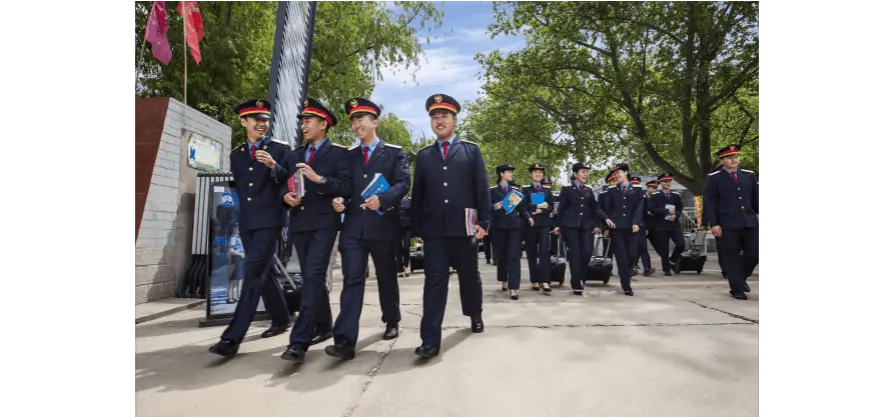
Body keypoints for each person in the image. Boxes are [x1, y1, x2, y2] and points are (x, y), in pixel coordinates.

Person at [325, 97, 410, 360]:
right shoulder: (348, 156)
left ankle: (392, 319)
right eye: (353, 120)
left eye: (361, 118)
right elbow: (344, 186)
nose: (356, 123)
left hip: (384, 226)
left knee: (386, 276)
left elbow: (403, 183)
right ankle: (345, 341)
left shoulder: (394, 153)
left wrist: (382, 200)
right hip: (353, 227)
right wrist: (339, 199)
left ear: (374, 121)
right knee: (352, 280)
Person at [208, 99, 293, 358]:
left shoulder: (279, 149)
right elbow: (243, 191)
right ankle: (281, 318)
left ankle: (232, 338)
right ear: (243, 122)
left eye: (265, 119)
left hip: (270, 220)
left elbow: (290, 180)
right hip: (248, 222)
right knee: (264, 272)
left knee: (253, 273)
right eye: (255, 118)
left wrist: (273, 166)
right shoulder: (236, 154)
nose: (261, 123)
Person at [409, 93, 490, 359]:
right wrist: (416, 228)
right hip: (434, 230)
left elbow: (481, 189)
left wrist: (484, 222)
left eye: (444, 116)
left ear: (454, 120)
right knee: (434, 282)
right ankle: (429, 340)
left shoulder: (470, 150)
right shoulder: (424, 156)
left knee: (469, 277)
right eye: (434, 117)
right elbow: (417, 194)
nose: (439, 121)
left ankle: (474, 313)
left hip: (464, 226)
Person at [279, 98, 352, 363]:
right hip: (300, 221)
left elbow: (345, 186)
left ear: (324, 124)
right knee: (313, 276)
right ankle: (324, 326)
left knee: (311, 275)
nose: (304, 125)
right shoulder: (295, 154)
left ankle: (298, 342)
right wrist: (286, 196)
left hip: (324, 222)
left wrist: (319, 179)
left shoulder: (340, 154)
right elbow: (284, 184)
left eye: (309, 120)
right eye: (302, 121)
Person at [703, 144, 760, 300]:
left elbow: (756, 200)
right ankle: (736, 289)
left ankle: (740, 278)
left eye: (736, 156)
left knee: (755, 252)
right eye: (730, 157)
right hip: (727, 224)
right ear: (722, 161)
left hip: (749, 221)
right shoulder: (714, 178)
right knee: (732, 257)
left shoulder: (749, 176)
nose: (734, 160)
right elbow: (710, 202)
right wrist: (713, 223)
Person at [555, 162, 608, 295]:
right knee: (575, 253)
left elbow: (595, 208)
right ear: (575, 174)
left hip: (586, 225)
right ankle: (576, 282)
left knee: (587, 252)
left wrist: (601, 222)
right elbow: (561, 208)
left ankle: (580, 277)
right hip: (570, 225)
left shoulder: (589, 189)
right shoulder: (566, 189)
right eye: (583, 171)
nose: (586, 174)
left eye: (587, 172)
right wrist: (557, 225)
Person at [600, 162, 644, 296]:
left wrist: (637, 222)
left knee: (632, 255)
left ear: (626, 173)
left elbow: (640, 207)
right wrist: (606, 226)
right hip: (617, 228)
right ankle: (626, 286)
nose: (616, 175)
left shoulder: (637, 189)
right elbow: (607, 209)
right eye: (615, 173)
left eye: (618, 172)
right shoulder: (612, 191)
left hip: (632, 228)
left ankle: (628, 271)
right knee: (621, 258)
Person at [489, 164, 530, 300]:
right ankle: (503, 279)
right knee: (502, 256)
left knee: (513, 256)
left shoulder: (515, 191)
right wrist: (495, 206)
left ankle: (514, 288)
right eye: (508, 172)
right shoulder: (492, 191)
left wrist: (528, 217)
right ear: (501, 174)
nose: (511, 174)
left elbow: (522, 207)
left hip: (514, 226)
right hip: (498, 227)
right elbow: (484, 206)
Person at [522, 163, 554, 292]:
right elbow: (523, 206)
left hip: (544, 224)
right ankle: (534, 280)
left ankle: (545, 281)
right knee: (531, 252)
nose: (538, 174)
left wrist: (542, 210)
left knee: (544, 251)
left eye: (540, 172)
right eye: (535, 172)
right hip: (531, 224)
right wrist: (537, 207)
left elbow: (551, 207)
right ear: (531, 174)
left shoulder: (547, 190)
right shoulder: (526, 190)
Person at [648, 173, 686, 276]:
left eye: (669, 181)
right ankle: (666, 269)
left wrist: (676, 215)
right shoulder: (655, 196)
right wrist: (665, 211)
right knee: (664, 249)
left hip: (674, 224)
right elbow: (652, 209)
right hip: (661, 225)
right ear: (661, 183)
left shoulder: (676, 195)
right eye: (665, 181)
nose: (668, 183)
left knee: (681, 244)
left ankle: (672, 261)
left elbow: (679, 208)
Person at [629, 177, 655, 276]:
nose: (635, 185)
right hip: (629, 225)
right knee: (631, 249)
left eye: (637, 183)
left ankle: (647, 269)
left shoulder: (643, 196)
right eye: (633, 183)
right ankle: (630, 268)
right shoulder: (626, 195)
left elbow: (650, 208)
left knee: (643, 248)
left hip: (640, 225)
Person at [397, 196, 413, 276]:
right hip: (397, 227)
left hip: (407, 227)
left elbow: (412, 213)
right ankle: (400, 269)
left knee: (406, 247)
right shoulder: (395, 199)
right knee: (398, 248)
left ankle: (406, 265)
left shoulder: (409, 200)